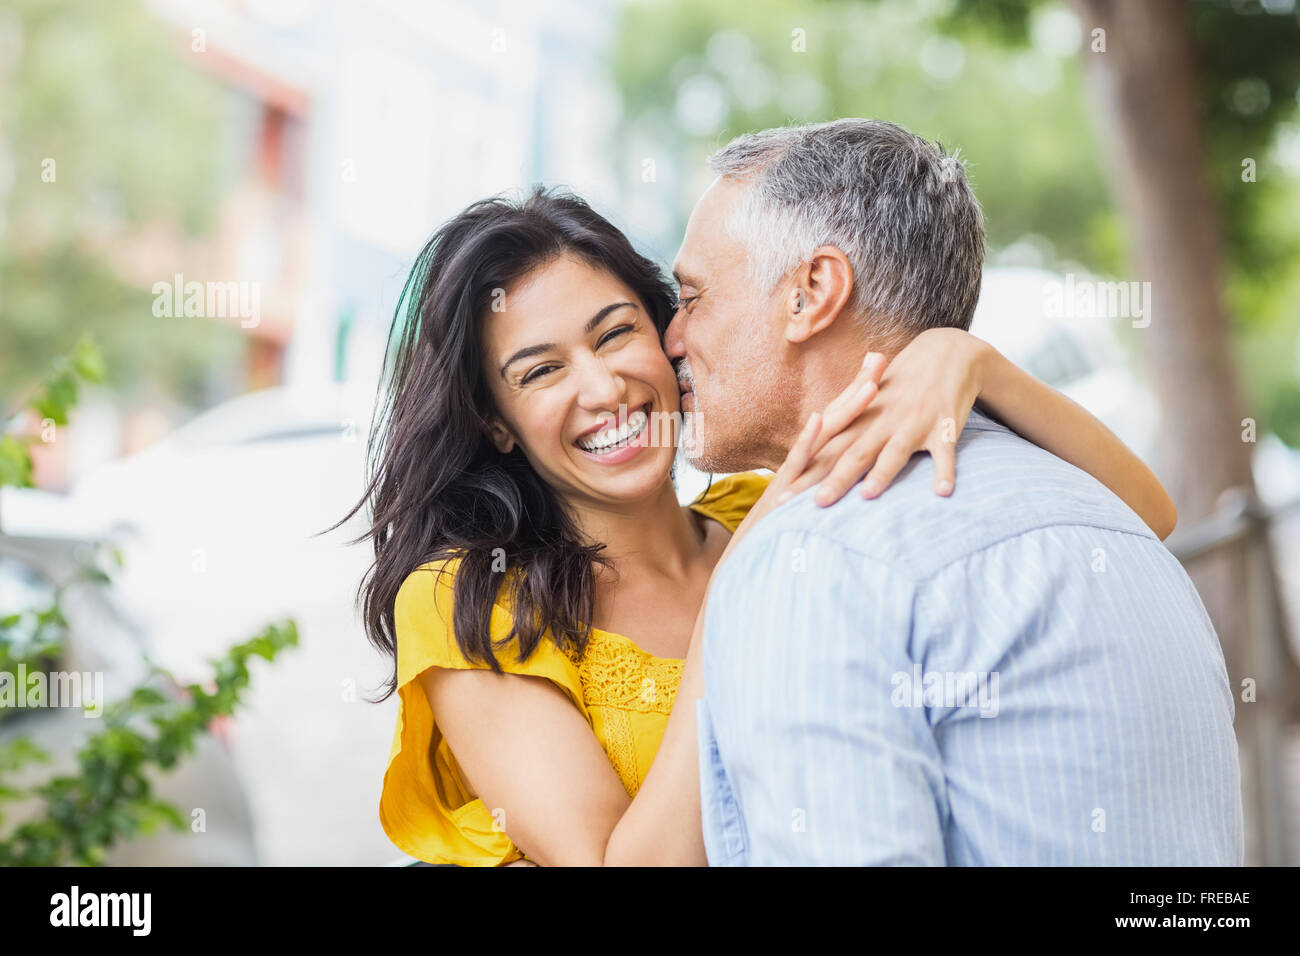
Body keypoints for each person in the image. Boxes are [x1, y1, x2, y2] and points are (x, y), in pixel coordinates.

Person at [354, 178, 1178, 866]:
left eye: (617, 334)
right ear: (497, 422)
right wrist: (742, 582)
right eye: (540, 372)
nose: (603, 388)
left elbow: (1145, 515)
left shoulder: (776, 500)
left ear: (668, 334)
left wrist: (970, 360)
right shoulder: (465, 601)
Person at [673, 119, 1244, 865]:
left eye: (693, 297)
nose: (672, 340)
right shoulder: (1116, 527)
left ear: (811, 292)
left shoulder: (814, 558)